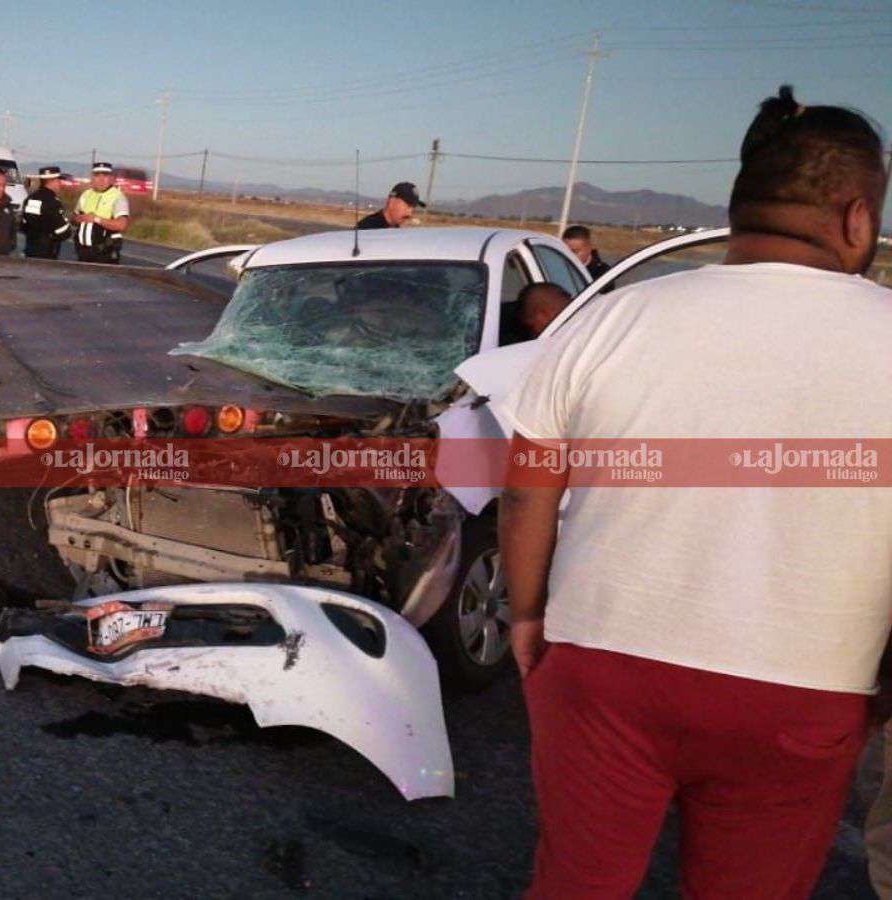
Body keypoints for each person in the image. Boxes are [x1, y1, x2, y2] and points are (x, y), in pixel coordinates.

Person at [499, 85, 891, 898]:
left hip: (602, 659)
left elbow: (526, 492)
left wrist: (528, 615)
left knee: (578, 883)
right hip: (808, 685)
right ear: (857, 216)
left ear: (739, 203)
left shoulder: (610, 320)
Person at [73, 161, 130, 263]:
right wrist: (79, 219)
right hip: (84, 252)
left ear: (111, 178)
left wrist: (96, 219)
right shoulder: (86, 195)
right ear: (92, 178)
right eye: (97, 175)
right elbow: (74, 218)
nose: (101, 179)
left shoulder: (117, 197)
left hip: (105, 252)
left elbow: (121, 225)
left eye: (105, 175)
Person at [22, 166, 72, 259]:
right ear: (53, 181)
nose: (60, 184)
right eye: (58, 180)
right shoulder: (52, 202)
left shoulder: (31, 198)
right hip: (47, 251)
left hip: (30, 248)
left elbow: (24, 224)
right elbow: (63, 231)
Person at [355, 182, 424, 229]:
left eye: (413, 208)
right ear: (391, 202)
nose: (409, 213)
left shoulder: (397, 229)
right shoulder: (368, 228)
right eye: (408, 206)